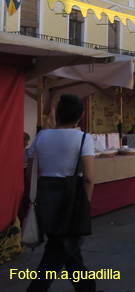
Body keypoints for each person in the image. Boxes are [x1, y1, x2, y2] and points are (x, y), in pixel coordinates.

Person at [26, 94, 96, 292]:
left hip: (45, 197)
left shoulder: (41, 136)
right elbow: (89, 177)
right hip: (71, 198)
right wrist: (86, 201)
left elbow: (30, 172)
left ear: (57, 115)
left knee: (67, 248)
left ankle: (88, 288)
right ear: (81, 115)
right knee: (58, 251)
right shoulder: (83, 138)